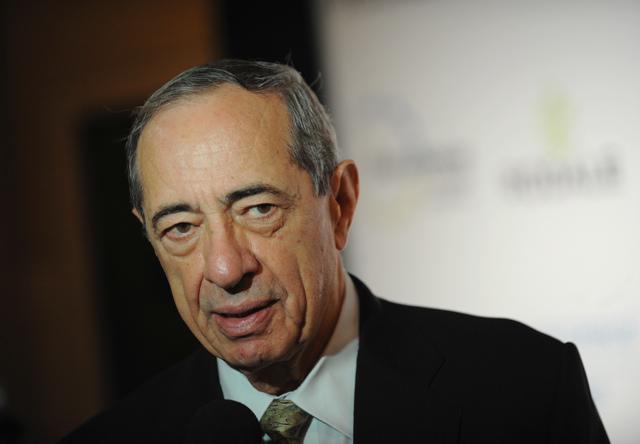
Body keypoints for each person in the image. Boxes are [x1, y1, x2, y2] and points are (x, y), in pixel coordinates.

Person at [61, 60, 609, 443]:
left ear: (340, 203)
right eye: (181, 226)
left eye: (258, 209)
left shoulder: (527, 387)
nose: (225, 268)